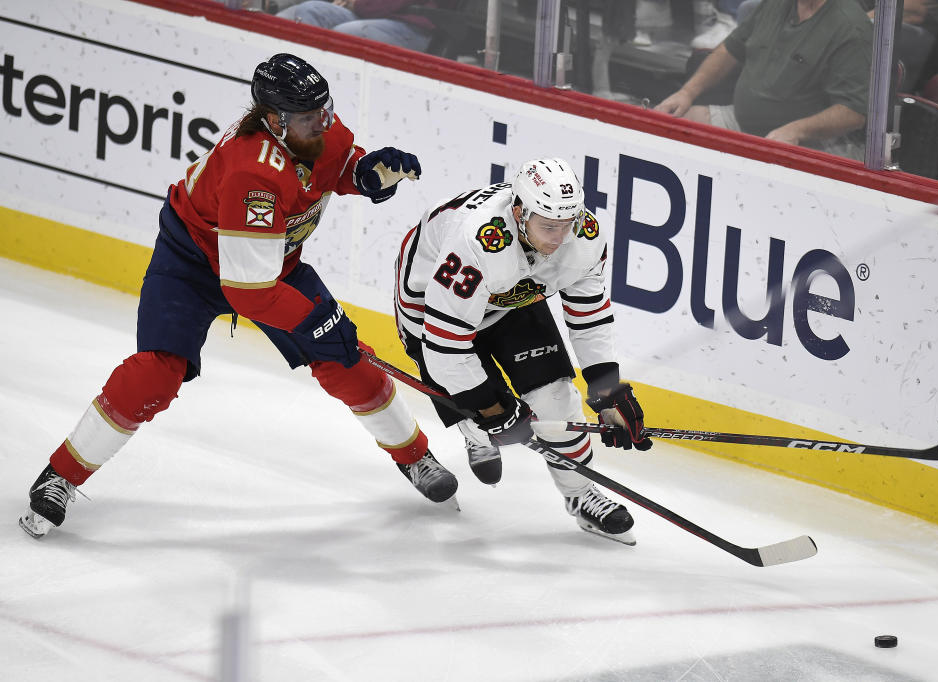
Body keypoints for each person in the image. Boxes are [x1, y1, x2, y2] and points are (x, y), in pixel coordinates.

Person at [19, 53, 457, 539]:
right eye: (313, 117)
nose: (326, 123)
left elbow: (334, 162)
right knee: (154, 376)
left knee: (348, 365)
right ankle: (60, 475)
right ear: (274, 121)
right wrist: (317, 322)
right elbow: (249, 291)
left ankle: (417, 458)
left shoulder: (309, 126)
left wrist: (365, 172)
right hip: (193, 263)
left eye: (327, 110)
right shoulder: (254, 172)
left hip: (273, 262)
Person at [394, 158, 653, 546]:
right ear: (519, 212)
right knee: (481, 408)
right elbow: (446, 349)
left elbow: (590, 314)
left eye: (567, 224)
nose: (560, 237)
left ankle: (580, 494)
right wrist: (491, 410)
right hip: (434, 307)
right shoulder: (477, 242)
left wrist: (607, 389)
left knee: (557, 399)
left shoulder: (583, 235)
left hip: (511, 293)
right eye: (548, 226)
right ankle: (475, 433)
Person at [655, 0, 873, 159]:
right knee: (661, 125)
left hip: (809, 145)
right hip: (742, 122)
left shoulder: (849, 26)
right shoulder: (775, 4)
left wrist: (796, 130)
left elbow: (853, 112)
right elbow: (730, 49)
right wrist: (687, 92)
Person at [276, 0, 446, 52]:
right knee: (310, 10)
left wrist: (357, 3)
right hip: (368, 13)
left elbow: (393, 4)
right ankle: (304, 80)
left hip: (410, 27)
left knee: (342, 35)